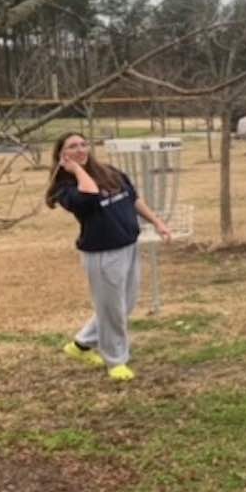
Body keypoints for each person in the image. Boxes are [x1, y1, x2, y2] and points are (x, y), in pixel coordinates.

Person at [45, 132, 172, 382]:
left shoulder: (110, 172)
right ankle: (116, 361)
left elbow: (133, 199)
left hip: (128, 245)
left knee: (125, 304)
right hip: (102, 254)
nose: (81, 149)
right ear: (62, 155)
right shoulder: (65, 189)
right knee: (112, 309)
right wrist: (75, 170)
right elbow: (90, 195)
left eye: (83, 144)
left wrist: (157, 222)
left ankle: (80, 345)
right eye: (72, 147)